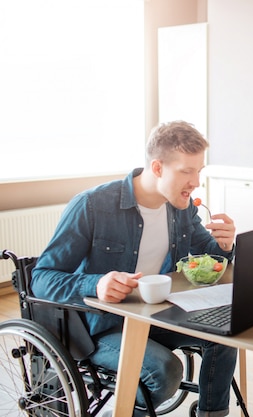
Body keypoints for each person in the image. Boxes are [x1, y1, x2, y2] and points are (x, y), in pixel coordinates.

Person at [31, 121, 238, 417]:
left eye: (199, 171)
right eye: (186, 171)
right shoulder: (92, 205)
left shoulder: (182, 208)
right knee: (165, 370)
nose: (195, 182)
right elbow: (41, 278)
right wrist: (96, 284)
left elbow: (212, 256)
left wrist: (226, 245)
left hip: (152, 314)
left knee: (223, 337)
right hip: (97, 327)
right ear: (157, 168)